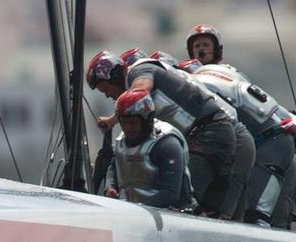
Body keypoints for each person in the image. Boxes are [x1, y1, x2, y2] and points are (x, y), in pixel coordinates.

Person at [86, 49, 249, 220]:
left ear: (115, 75)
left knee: (183, 197)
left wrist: (113, 120)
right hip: (206, 133)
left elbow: (141, 91)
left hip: (209, 131)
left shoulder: (139, 71)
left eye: (106, 89)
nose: (107, 95)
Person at [180, 58, 296, 228]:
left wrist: (227, 213)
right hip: (278, 143)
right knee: (256, 218)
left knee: (257, 220)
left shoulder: (200, 86)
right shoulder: (222, 81)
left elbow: (238, 161)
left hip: (270, 145)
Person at [103, 89, 193, 209]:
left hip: (171, 215)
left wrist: (139, 212)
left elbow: (171, 193)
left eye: (133, 122)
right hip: (135, 212)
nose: (128, 128)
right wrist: (110, 187)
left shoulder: (167, 144)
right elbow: (114, 166)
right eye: (124, 123)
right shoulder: (121, 141)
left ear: (147, 120)